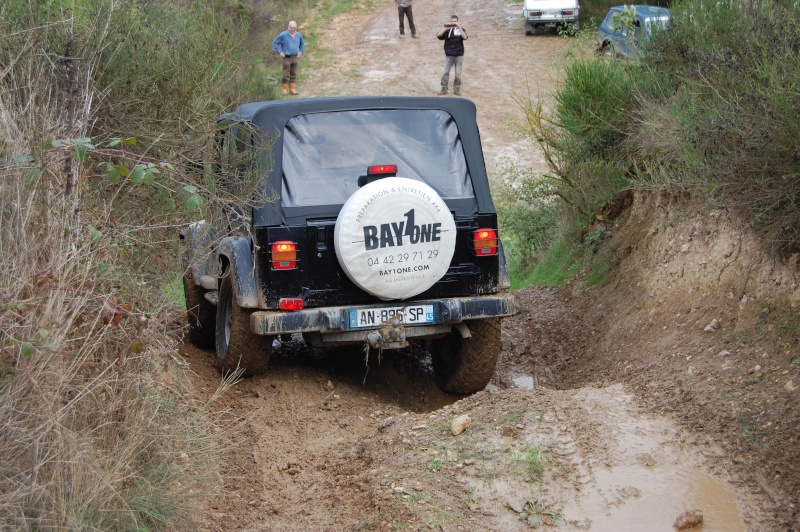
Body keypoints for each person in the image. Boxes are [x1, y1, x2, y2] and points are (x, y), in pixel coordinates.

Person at [436, 15, 468, 96]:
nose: (454, 23)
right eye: (452, 21)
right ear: (450, 21)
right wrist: (445, 28)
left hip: (459, 54)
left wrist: (459, 27)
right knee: (445, 72)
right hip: (449, 54)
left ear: (458, 21)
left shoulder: (461, 30)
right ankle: (444, 89)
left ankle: (457, 90)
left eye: (455, 21)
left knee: (458, 73)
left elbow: (465, 37)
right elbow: (438, 35)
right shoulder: (447, 31)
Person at [272, 21, 305, 96]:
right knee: (285, 74)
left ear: (296, 27)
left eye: (294, 28)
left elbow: (302, 44)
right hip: (287, 57)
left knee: (293, 73)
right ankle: (284, 89)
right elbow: (275, 43)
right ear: (288, 27)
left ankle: (292, 89)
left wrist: (301, 52)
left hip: (295, 57)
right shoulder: (283, 35)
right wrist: (280, 52)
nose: (293, 29)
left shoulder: (298, 35)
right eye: (291, 28)